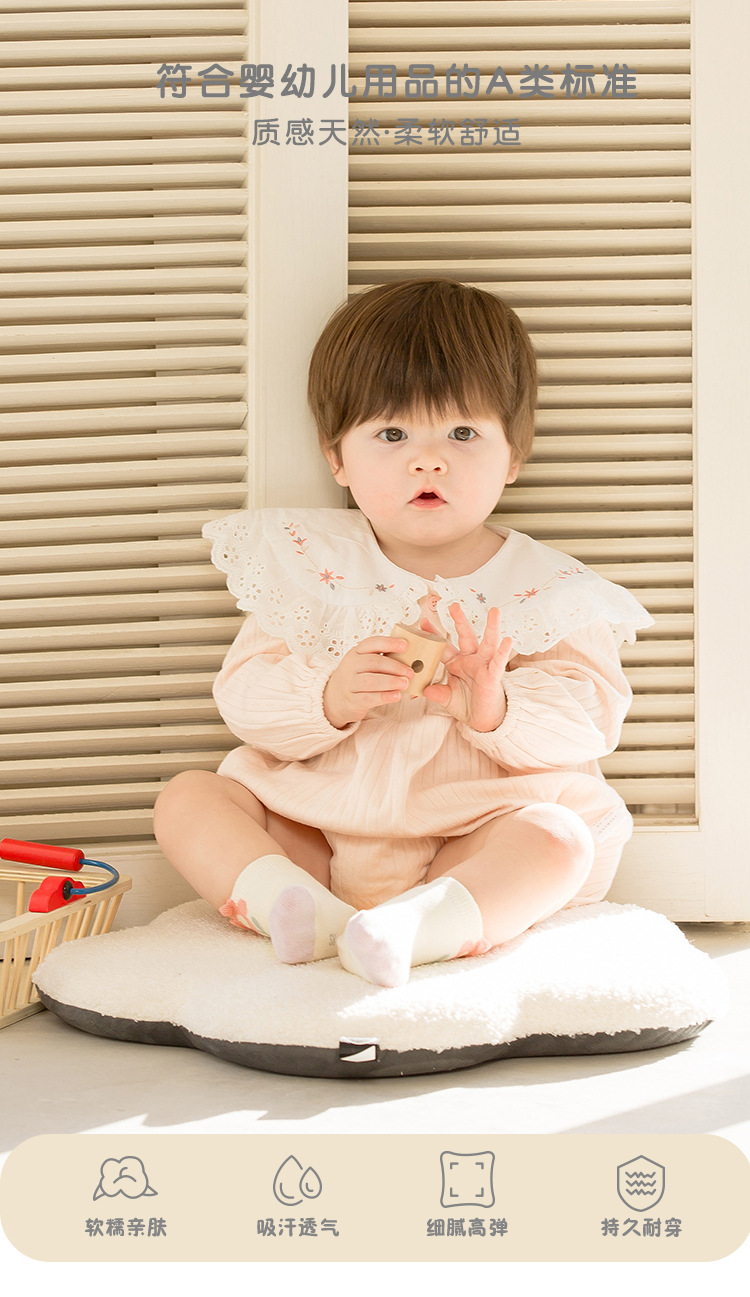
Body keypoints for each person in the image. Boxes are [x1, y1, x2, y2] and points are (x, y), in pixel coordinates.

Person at [153, 278, 654, 988]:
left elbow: (591, 719)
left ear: (513, 455)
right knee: (188, 798)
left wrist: (494, 706)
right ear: (336, 456)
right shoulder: (307, 564)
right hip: (313, 826)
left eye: (462, 434)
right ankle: (293, 903)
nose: (428, 460)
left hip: (472, 833)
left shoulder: (550, 589)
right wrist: (330, 695)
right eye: (392, 434)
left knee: (557, 838)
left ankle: (415, 927)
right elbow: (245, 697)